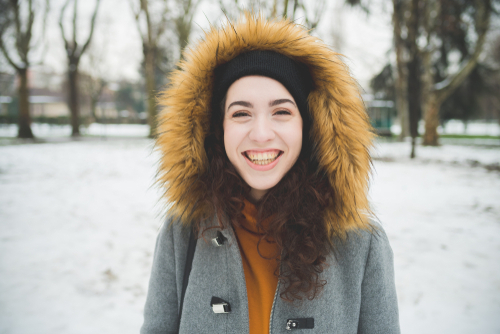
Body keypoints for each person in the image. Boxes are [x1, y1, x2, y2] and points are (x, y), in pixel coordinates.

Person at [141, 13, 400, 334]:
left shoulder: (361, 244)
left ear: (308, 126)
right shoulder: (182, 234)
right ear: (217, 128)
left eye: (281, 112)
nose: (261, 134)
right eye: (240, 113)